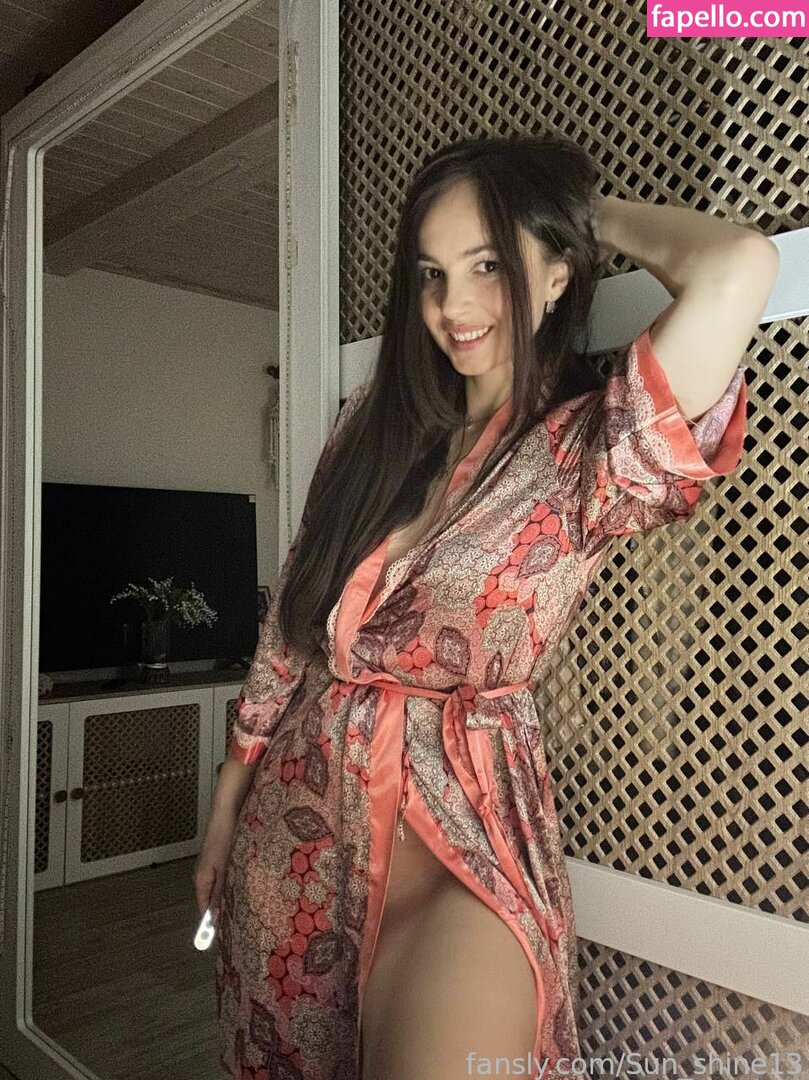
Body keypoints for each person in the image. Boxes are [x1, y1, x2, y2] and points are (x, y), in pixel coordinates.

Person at [195, 133, 775, 1079]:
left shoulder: (590, 450)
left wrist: (574, 217)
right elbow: (292, 629)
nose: (452, 307)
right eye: (431, 274)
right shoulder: (371, 429)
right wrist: (227, 799)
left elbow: (737, 265)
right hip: (292, 831)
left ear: (557, 273)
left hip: (462, 831)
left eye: (488, 266)